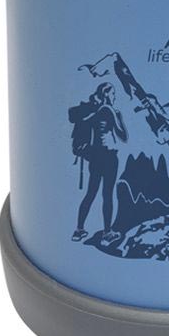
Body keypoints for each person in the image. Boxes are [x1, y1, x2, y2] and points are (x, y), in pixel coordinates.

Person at [72, 81, 128, 244]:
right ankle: (107, 232)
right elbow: (123, 136)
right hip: (109, 157)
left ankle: (79, 230)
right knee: (107, 195)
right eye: (113, 93)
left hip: (95, 156)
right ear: (107, 94)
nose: (115, 96)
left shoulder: (95, 112)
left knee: (91, 193)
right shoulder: (109, 110)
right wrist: (118, 117)